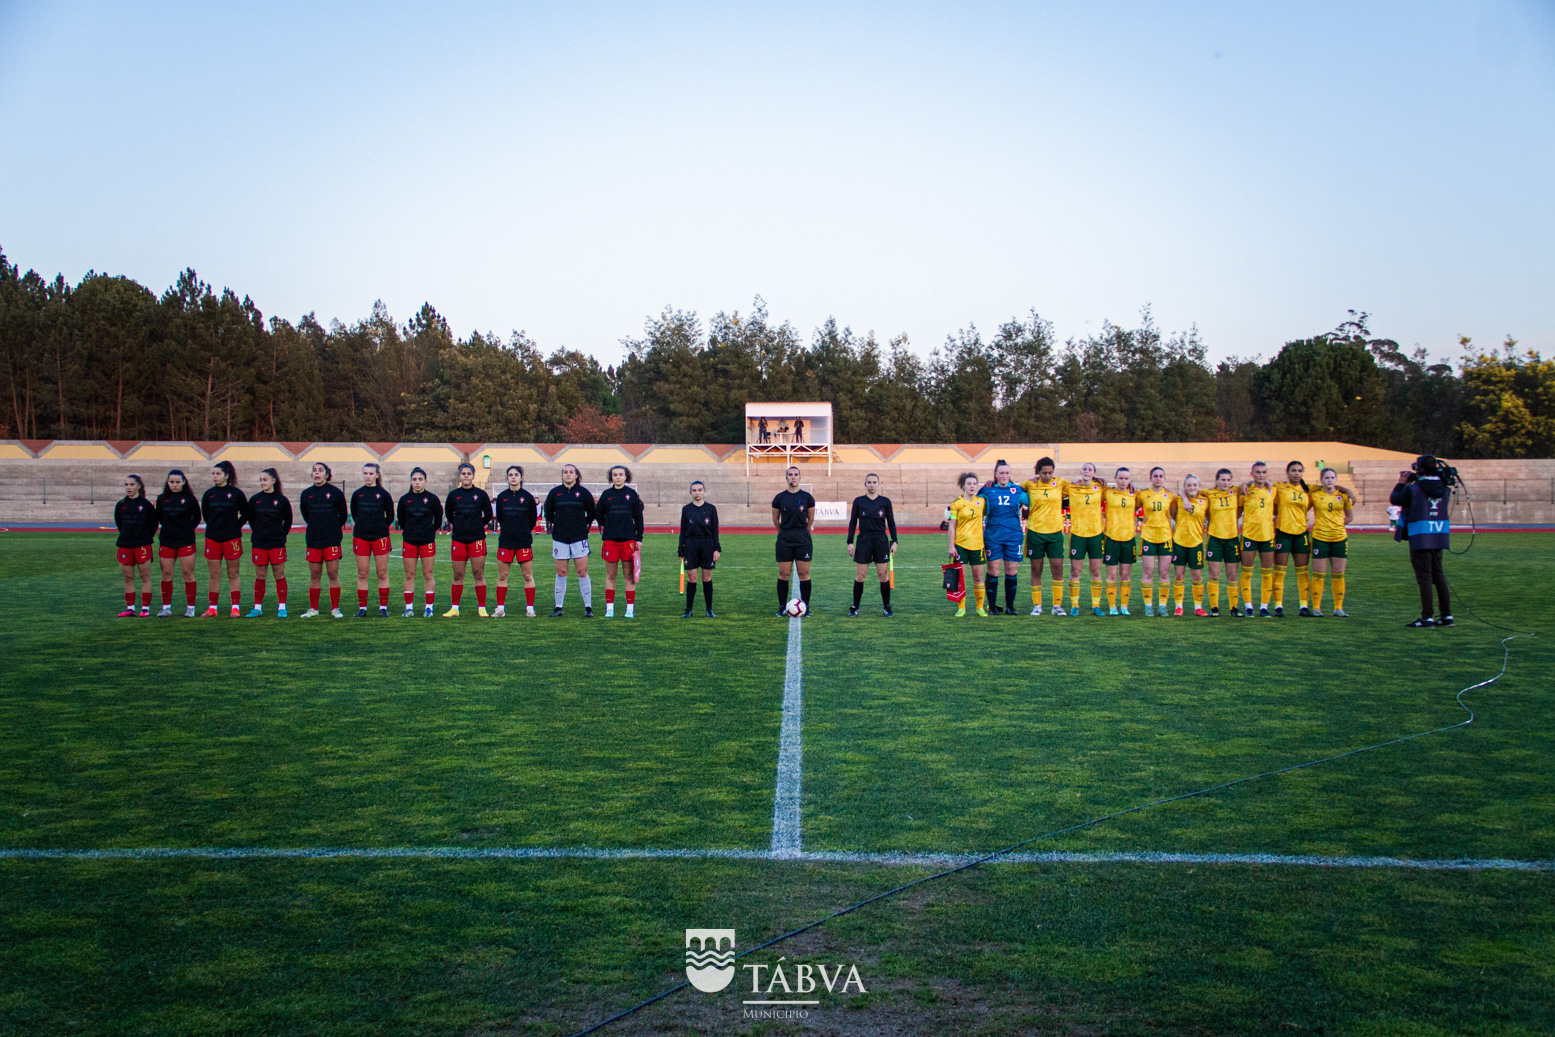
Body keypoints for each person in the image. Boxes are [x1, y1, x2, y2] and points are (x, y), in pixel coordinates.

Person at [1391, 455, 1454, 627]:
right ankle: (1446, 615)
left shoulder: (1414, 489)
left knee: (1424, 577)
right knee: (1439, 576)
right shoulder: (1442, 486)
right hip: (1438, 534)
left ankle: (1427, 617)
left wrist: (1401, 482)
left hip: (1420, 536)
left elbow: (1395, 498)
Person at [976, 460, 1028, 615]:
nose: (1004, 476)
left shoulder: (1018, 491)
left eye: (1007, 473)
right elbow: (973, 502)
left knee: (1011, 571)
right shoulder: (987, 490)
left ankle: (1010, 606)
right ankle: (992, 607)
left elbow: (1034, 504)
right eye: (1001, 473)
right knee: (993, 571)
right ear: (996, 475)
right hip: (993, 536)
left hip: (1013, 536)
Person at [544, 463, 596, 617]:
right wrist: (560, 525)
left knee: (582, 571)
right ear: (562, 475)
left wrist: (580, 525)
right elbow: (549, 514)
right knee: (561, 572)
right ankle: (558, 607)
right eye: (565, 472)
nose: (568, 474)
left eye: (571, 472)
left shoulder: (583, 493)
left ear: (576, 475)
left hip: (579, 537)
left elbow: (591, 513)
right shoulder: (554, 493)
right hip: (560, 538)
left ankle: (588, 607)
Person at [298, 462, 348, 618]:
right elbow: (306, 514)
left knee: (333, 573)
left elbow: (343, 515)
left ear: (327, 474)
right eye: (314, 470)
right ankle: (313, 609)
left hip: (332, 539)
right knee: (314, 574)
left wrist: (332, 528)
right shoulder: (306, 494)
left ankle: (335, 609)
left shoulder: (335, 493)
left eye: (320, 470)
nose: (317, 473)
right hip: (314, 539)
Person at [444, 462, 494, 617]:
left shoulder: (481, 494)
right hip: (459, 539)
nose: (466, 476)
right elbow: (449, 514)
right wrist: (460, 525)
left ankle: (481, 608)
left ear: (473, 476)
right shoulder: (453, 495)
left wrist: (477, 525)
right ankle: (454, 608)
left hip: (477, 539)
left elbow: (488, 514)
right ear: (460, 476)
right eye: (463, 473)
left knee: (478, 573)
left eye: (468, 473)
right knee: (458, 575)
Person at [1018, 457, 1066, 616]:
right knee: (1036, 569)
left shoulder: (1060, 483)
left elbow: (1081, 486)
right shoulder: (1029, 484)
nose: (1047, 476)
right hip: (1035, 532)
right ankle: (1037, 605)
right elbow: (1012, 490)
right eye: (1044, 473)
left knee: (1057, 568)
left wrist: (1096, 479)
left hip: (1055, 533)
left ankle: (1057, 606)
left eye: (1050, 473)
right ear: (1037, 472)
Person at [200, 460, 248, 617]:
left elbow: (245, 514)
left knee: (233, 573)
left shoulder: (236, 494)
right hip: (213, 539)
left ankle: (235, 607)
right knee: (214, 574)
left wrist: (235, 526)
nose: (215, 476)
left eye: (218, 473)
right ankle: (212, 608)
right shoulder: (209, 494)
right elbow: (206, 515)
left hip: (231, 539)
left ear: (227, 475)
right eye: (213, 473)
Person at [597, 465, 645, 618]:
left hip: (628, 540)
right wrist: (609, 524)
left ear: (626, 477)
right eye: (615, 474)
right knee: (611, 575)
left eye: (620, 474)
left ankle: (629, 609)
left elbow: (638, 518)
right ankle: (609, 609)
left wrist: (639, 538)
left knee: (628, 575)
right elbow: (598, 514)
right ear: (611, 477)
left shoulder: (632, 495)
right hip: (610, 540)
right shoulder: (606, 495)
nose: (617, 477)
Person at [846, 473, 898, 617]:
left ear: (878, 484)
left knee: (883, 575)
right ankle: (855, 607)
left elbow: (891, 522)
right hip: (864, 540)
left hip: (881, 540)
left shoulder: (885, 501)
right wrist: (850, 542)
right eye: (869, 482)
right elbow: (852, 523)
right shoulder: (859, 501)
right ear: (865, 484)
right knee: (860, 576)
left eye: (874, 482)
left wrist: (895, 541)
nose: (872, 485)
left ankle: (887, 607)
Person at [493, 465, 539, 618]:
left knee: (527, 575)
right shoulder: (501, 497)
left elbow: (532, 519)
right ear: (507, 478)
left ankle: (530, 608)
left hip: (523, 541)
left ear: (521, 477)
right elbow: (500, 517)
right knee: (502, 576)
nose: (513, 477)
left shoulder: (527, 497)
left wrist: (523, 530)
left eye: (516, 474)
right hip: (506, 541)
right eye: (510, 475)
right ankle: (500, 608)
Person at [350, 462, 396, 617]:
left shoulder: (383, 494)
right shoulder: (358, 494)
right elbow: (355, 513)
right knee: (362, 573)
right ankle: (362, 608)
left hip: (380, 537)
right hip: (361, 537)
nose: (368, 476)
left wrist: (380, 527)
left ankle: (383, 607)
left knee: (382, 573)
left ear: (377, 475)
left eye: (371, 473)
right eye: (365, 473)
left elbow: (390, 515)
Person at [396, 467, 442, 617]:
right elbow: (401, 520)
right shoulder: (404, 500)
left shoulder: (432, 499)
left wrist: (429, 531)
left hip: (427, 541)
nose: (417, 482)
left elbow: (438, 519)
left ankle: (429, 607)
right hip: (409, 541)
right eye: (414, 479)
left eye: (420, 479)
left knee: (428, 574)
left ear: (425, 481)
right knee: (409, 575)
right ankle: (409, 608)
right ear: (411, 481)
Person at [246, 468, 292, 618]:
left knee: (279, 575)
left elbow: (288, 521)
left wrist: (279, 534)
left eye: (265, 480)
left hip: (276, 543)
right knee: (260, 576)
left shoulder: (282, 500)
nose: (262, 483)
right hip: (259, 543)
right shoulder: (255, 499)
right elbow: (251, 520)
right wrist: (259, 533)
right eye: (260, 480)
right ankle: (257, 608)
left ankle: (282, 607)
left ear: (273, 481)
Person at [154, 469, 201, 617]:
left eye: (177, 482)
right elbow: (160, 518)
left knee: (188, 574)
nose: (174, 485)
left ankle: (191, 608)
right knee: (166, 574)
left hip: (185, 541)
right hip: (167, 541)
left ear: (184, 482)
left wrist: (185, 530)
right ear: (168, 483)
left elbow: (196, 518)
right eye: (172, 482)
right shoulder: (162, 499)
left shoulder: (190, 499)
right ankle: (166, 608)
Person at [1271, 461, 1314, 617]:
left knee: (1302, 572)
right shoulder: (1279, 487)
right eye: (1294, 470)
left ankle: (1303, 606)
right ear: (1287, 472)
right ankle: (1278, 606)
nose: (1297, 473)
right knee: (1280, 571)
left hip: (1301, 533)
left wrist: (1347, 491)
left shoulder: (1309, 489)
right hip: (1283, 532)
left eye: (1300, 471)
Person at [771, 466, 816, 615]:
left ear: (800, 477)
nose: (793, 477)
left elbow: (810, 519)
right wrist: (785, 532)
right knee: (784, 574)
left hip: (802, 539)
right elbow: (776, 520)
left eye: (796, 474)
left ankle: (806, 607)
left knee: (804, 574)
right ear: (786, 478)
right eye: (790, 475)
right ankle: (782, 607)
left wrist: (802, 531)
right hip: (785, 539)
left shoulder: (807, 497)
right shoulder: (779, 498)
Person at [1065, 463, 1108, 616]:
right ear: (1080, 472)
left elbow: (1119, 490)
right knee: (1075, 571)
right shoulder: (1071, 488)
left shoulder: (1101, 488)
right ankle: (1074, 605)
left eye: (1090, 469)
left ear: (1094, 473)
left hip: (1096, 534)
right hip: (1077, 534)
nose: (1087, 471)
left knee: (1095, 570)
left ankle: (1096, 605)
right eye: (1084, 469)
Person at [1309, 467, 1352, 617]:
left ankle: (1338, 608)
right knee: (1318, 574)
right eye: (1326, 478)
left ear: (1336, 479)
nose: (1329, 480)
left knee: (1338, 574)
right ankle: (1316, 607)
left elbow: (1350, 516)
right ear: (1321, 479)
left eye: (1332, 477)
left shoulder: (1343, 495)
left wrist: (1337, 526)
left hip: (1339, 538)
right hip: (1320, 538)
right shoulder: (1315, 495)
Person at [113, 474, 158, 616]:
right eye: (126, 485)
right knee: (128, 578)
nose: (128, 487)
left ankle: (145, 609)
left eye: (131, 484)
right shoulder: (121, 505)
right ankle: (130, 608)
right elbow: (120, 524)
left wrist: (144, 537)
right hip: (125, 545)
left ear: (139, 486)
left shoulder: (146, 505)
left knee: (145, 577)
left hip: (142, 545)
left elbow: (153, 525)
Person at [1238, 461, 1277, 617]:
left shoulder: (1273, 490)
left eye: (1263, 472)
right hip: (1249, 536)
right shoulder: (1245, 491)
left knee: (1267, 573)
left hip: (1267, 536)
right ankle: (1248, 606)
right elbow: (1237, 512)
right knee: (1247, 573)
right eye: (1258, 472)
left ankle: (1264, 607)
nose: (1261, 475)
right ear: (1251, 474)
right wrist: (1245, 483)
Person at [1136, 466, 1176, 617]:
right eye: (1155, 476)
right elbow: (1131, 507)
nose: (1158, 478)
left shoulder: (1170, 496)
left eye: (1161, 476)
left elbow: (1174, 513)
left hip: (1165, 537)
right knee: (1148, 571)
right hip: (1148, 537)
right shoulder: (1142, 494)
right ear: (1150, 478)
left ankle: (1162, 606)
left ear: (1164, 478)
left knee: (1164, 572)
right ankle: (1148, 606)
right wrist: (1140, 519)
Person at [1202, 468, 1242, 617]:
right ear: (1216, 480)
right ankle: (1214, 607)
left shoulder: (1236, 491)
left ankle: (1234, 607)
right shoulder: (1209, 493)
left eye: (1228, 480)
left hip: (1232, 538)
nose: (1225, 482)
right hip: (1215, 538)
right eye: (1222, 480)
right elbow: (1189, 490)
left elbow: (1250, 484)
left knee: (1232, 575)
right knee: (1214, 575)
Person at [947, 472, 989, 617]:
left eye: (974, 483)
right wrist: (951, 546)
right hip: (961, 545)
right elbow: (952, 525)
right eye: (969, 483)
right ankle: (962, 608)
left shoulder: (982, 502)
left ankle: (980, 607)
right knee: (961, 578)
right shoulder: (957, 504)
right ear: (963, 486)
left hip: (978, 545)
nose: (972, 486)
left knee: (978, 577)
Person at [1169, 474, 1210, 616]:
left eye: (1194, 485)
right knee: (1179, 576)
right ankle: (1178, 607)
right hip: (1179, 542)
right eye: (1188, 485)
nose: (1192, 487)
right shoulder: (1177, 500)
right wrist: (1184, 499)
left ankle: (1198, 607)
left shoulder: (1205, 501)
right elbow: (1174, 515)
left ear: (1199, 486)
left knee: (1197, 576)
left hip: (1196, 542)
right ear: (1184, 487)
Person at [679, 480, 721, 617]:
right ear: (690, 492)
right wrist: (681, 550)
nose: (697, 492)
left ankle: (709, 609)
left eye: (699, 490)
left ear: (704, 491)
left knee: (707, 578)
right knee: (692, 578)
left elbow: (715, 530)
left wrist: (717, 549)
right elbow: (682, 531)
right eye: (694, 490)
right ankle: (689, 609)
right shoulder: (686, 509)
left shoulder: (711, 509)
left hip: (707, 544)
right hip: (691, 545)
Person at [1102, 468, 1140, 615]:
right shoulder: (1108, 493)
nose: (1124, 481)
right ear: (1115, 479)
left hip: (1129, 538)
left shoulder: (1136, 494)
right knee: (1111, 575)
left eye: (1126, 479)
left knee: (1125, 575)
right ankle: (1112, 606)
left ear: (1130, 480)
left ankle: (1124, 606)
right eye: (1121, 478)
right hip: (1111, 538)